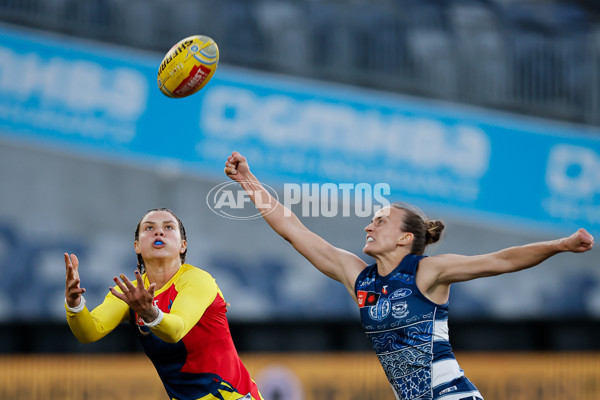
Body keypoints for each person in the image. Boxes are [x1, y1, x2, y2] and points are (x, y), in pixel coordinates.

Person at [224, 151, 595, 400]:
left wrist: (560, 244)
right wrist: (249, 181)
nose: (369, 225)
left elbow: (501, 260)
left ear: (405, 238)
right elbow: (295, 231)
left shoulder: (427, 273)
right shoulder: (359, 277)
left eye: (380, 221)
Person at [64, 207, 263, 400]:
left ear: (183, 245)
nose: (159, 231)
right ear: (137, 246)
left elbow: (176, 330)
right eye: (149, 228)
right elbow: (88, 332)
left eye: (168, 227)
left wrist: (149, 313)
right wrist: (74, 303)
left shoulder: (197, 280)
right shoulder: (132, 293)